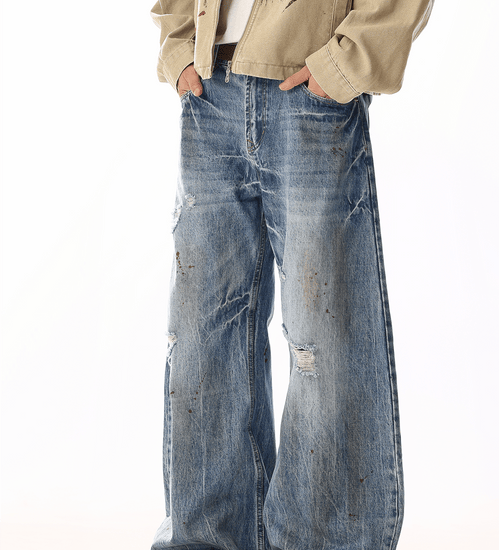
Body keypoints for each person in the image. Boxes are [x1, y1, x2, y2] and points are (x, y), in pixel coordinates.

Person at [149, 1, 434, 549]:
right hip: (209, 86)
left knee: (323, 340)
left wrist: (349, 60)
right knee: (199, 339)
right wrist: (179, 45)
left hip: (306, 88)